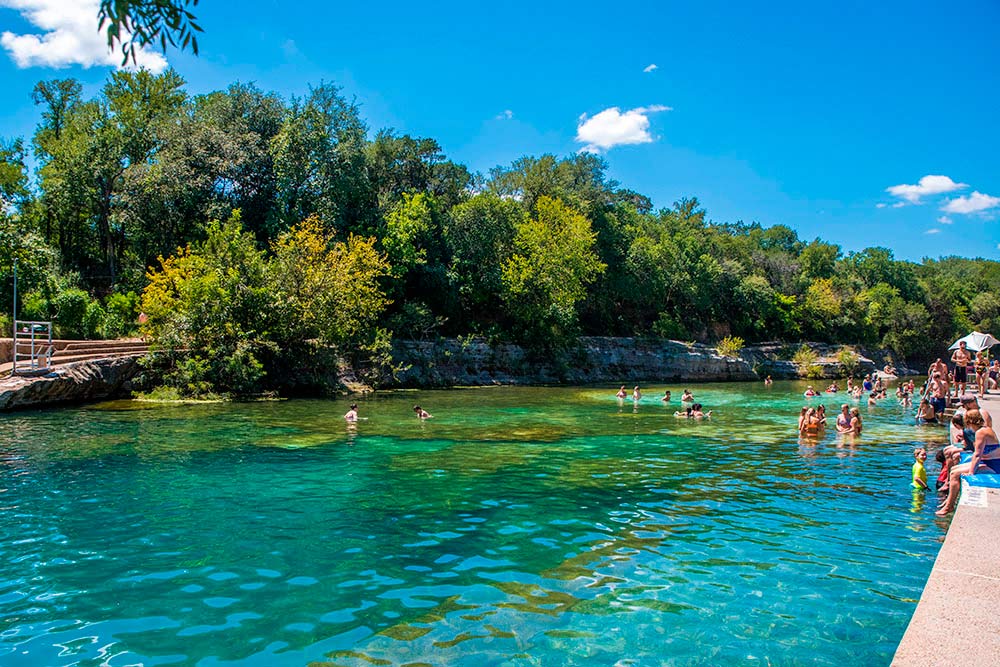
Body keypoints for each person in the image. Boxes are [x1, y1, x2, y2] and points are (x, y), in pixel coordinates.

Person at [937, 409, 1000, 515]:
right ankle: (948, 502)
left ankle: (949, 506)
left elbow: (977, 454)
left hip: (994, 465)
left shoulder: (981, 432)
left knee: (955, 473)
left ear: (969, 420)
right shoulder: (983, 429)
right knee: (953, 469)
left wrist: (971, 472)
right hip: (988, 462)